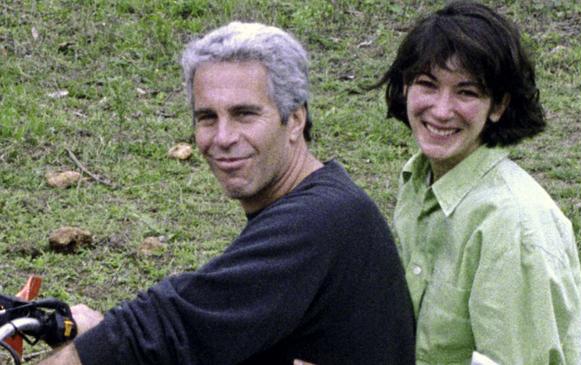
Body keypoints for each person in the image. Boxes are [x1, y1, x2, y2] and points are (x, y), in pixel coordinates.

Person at [40, 22, 415, 365]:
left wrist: (86, 353)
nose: (223, 138)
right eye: (207, 118)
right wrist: (98, 331)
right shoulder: (321, 200)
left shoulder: (321, 219)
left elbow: (172, 326)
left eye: (244, 115)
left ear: (295, 120)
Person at [374, 2, 581, 364]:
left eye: (466, 93)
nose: (442, 110)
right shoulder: (419, 180)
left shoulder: (512, 224)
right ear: (406, 87)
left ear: (499, 106)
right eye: (427, 84)